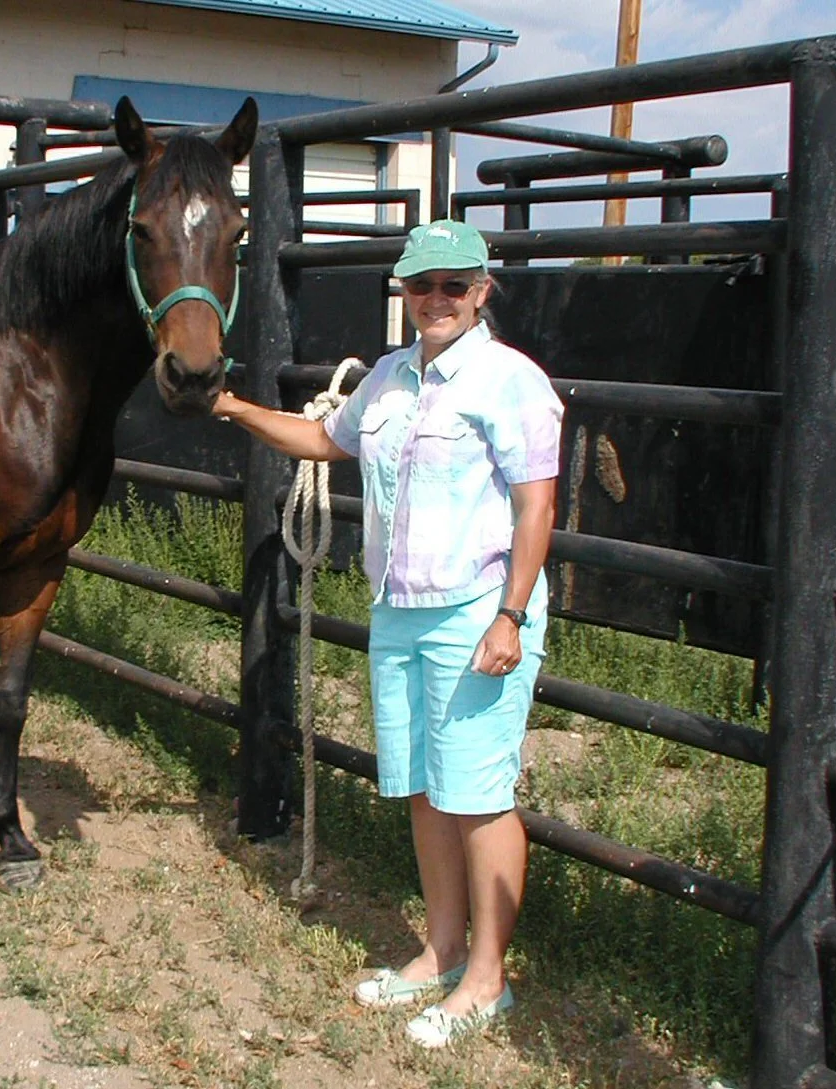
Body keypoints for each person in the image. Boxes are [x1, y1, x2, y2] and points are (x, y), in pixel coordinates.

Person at [213, 219, 561, 1048]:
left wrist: (511, 614)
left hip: (476, 607)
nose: (436, 298)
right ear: (404, 292)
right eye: (421, 284)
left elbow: (536, 505)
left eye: (453, 285)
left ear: (481, 291)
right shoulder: (388, 378)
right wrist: (229, 405)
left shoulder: (511, 381)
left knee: (478, 794)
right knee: (423, 784)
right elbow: (321, 439)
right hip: (399, 607)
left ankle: (488, 978)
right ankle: (442, 949)